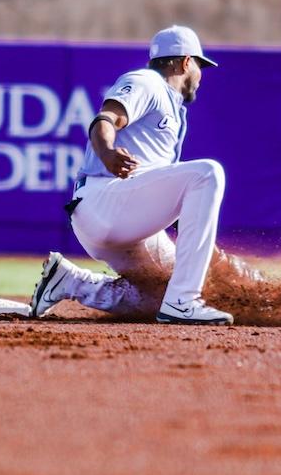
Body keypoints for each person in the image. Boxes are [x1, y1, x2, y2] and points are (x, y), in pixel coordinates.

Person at [28, 25, 264, 325]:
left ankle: (70, 282)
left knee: (159, 293)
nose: (201, 76)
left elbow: (178, 206)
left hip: (123, 218)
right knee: (208, 172)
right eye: (200, 66)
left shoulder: (172, 107)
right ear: (185, 62)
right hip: (106, 201)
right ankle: (183, 303)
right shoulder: (146, 81)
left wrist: (210, 253)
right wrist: (107, 152)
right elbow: (105, 118)